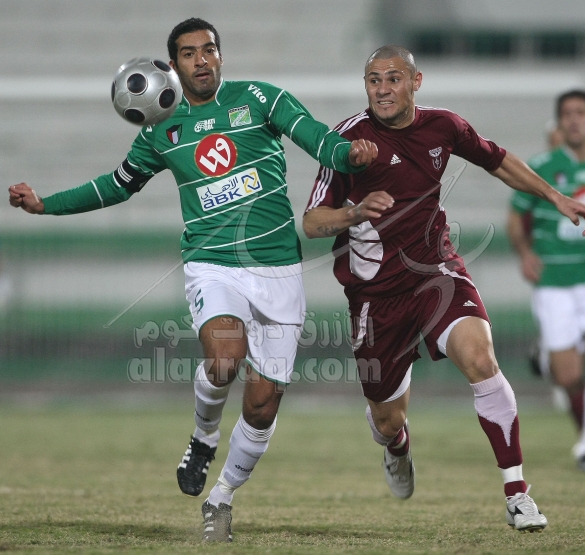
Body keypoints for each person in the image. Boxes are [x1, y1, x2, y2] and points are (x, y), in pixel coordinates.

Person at [8, 17, 377, 543]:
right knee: (224, 358)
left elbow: (318, 139)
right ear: (173, 66)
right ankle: (204, 436)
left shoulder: (260, 99)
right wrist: (45, 204)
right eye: (188, 53)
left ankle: (221, 496)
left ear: (221, 56)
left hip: (278, 267)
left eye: (209, 49)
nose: (201, 60)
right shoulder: (160, 128)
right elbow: (116, 186)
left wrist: (348, 154)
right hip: (212, 262)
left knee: (262, 406)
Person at [303, 45, 585, 533]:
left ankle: (518, 493)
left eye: (393, 78)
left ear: (416, 82)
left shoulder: (444, 126)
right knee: (387, 419)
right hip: (375, 297)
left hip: (436, 272)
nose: (382, 90)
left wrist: (555, 197)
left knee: (481, 359)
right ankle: (398, 445)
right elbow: (313, 222)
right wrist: (354, 212)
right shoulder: (348, 141)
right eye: (374, 80)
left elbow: (497, 161)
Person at [508, 90, 585, 471]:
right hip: (554, 281)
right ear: (559, 123)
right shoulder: (541, 166)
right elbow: (516, 216)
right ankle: (549, 362)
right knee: (569, 375)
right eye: (568, 114)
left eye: (582, 112)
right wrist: (524, 252)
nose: (575, 120)